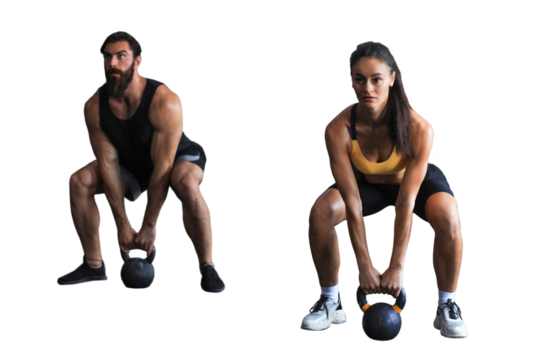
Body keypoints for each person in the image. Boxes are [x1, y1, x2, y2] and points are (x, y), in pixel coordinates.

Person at [300, 38, 467, 340]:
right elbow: (352, 202)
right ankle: (330, 300)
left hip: (413, 185)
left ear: (391, 78)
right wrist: (364, 265)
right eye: (359, 79)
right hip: (368, 185)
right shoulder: (337, 129)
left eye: (376, 79)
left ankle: (447, 304)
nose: (368, 88)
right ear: (351, 80)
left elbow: (405, 202)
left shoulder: (419, 128)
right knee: (321, 211)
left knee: (448, 214)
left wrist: (395, 267)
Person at [58, 29, 225, 294]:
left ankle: (207, 267)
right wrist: (122, 223)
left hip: (177, 157)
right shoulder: (94, 105)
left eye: (121, 56)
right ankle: (93, 265)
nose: (113, 63)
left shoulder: (165, 100)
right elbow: (108, 165)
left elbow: (164, 167)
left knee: (184, 183)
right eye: (108, 57)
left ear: (137, 61)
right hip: (131, 163)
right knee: (79, 181)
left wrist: (148, 225)